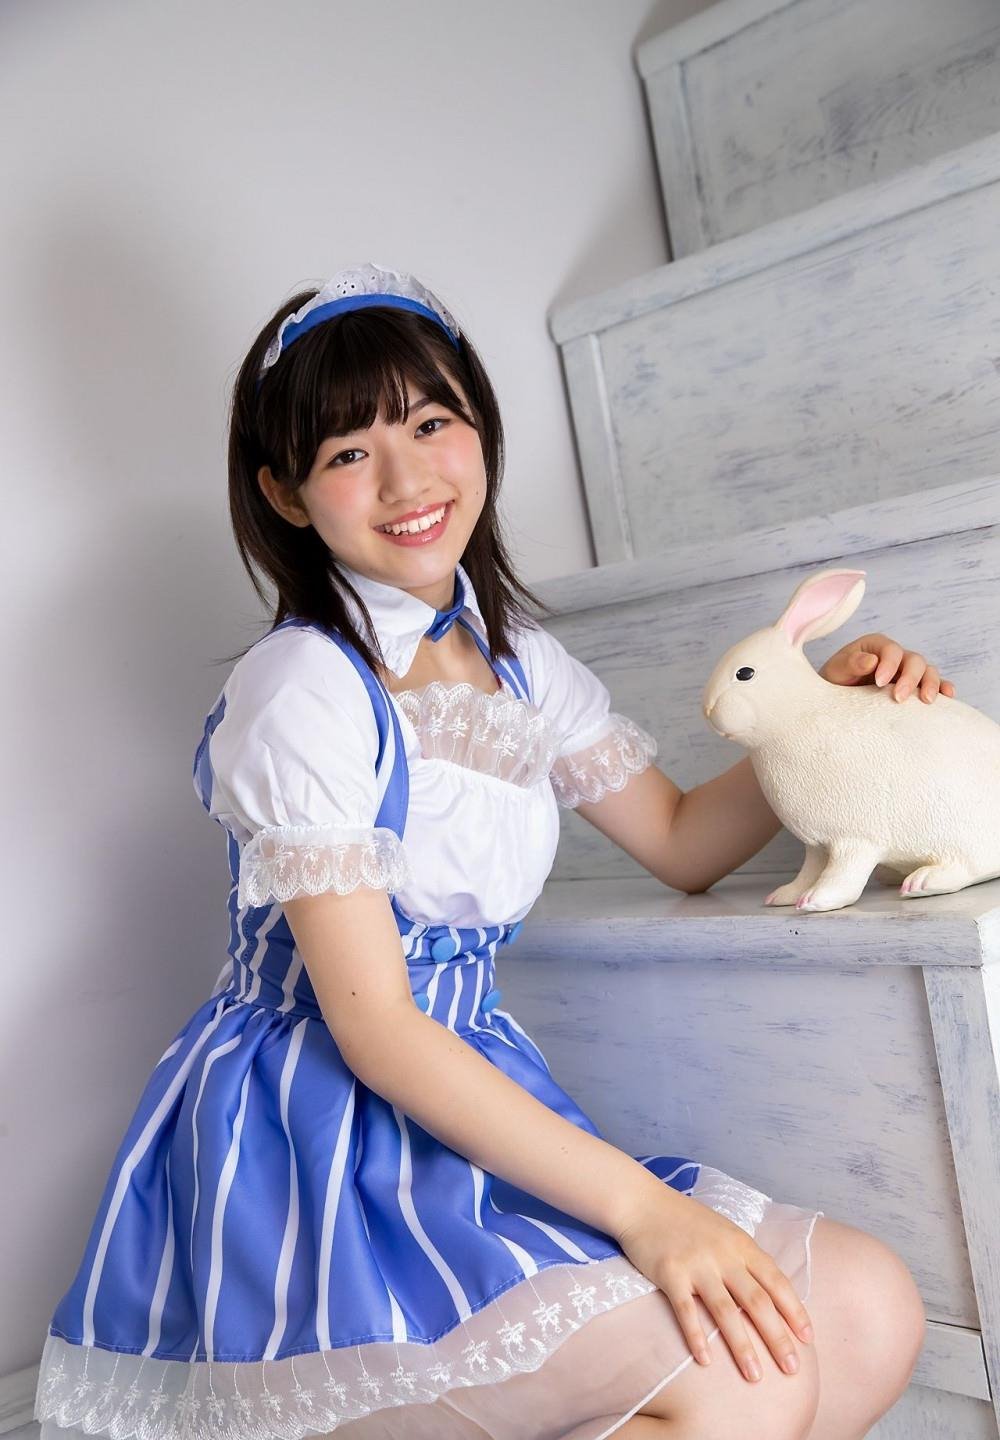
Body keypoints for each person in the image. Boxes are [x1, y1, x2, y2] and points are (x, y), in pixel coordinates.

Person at [35, 263, 934, 1440]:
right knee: (744, 1380)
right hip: (322, 1133)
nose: (406, 479)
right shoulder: (304, 684)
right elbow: (375, 1030)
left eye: (429, 424)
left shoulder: (521, 665)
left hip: (477, 1093)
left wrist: (822, 720)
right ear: (286, 494)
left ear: (480, 431)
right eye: (349, 450)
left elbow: (680, 842)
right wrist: (647, 1214)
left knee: (866, 1309)